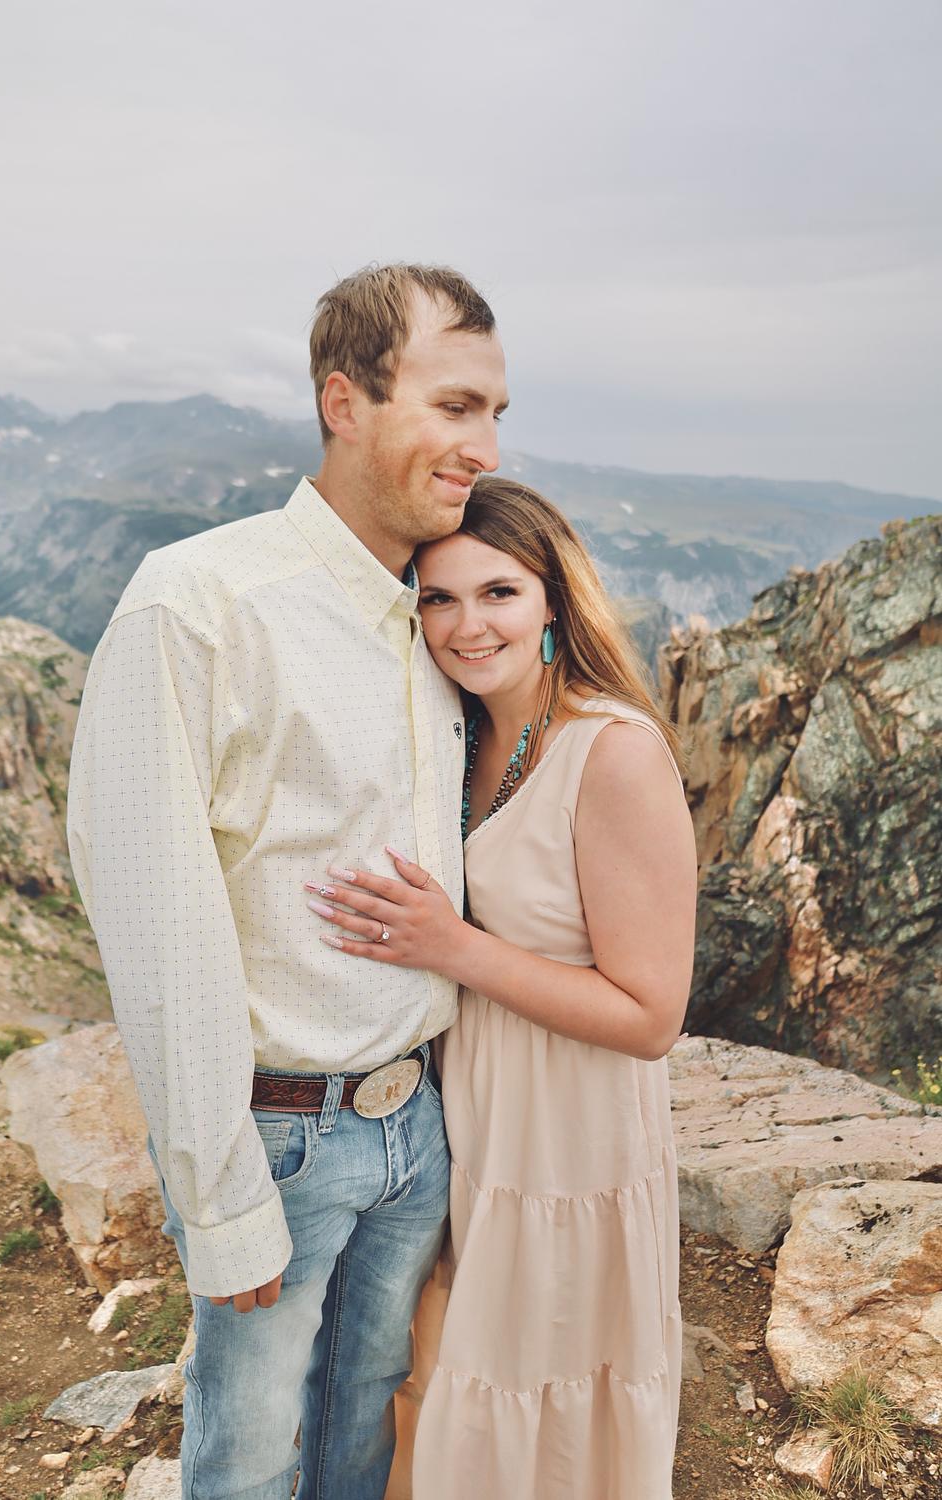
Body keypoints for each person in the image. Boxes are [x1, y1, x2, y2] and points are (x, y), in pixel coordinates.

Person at [65, 263, 509, 1500]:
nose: (482, 446)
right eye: (453, 405)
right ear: (343, 401)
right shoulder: (199, 604)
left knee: (360, 1438)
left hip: (417, 1126)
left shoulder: (437, 615)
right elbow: (156, 921)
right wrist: (220, 1203)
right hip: (278, 1139)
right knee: (252, 1465)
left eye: (494, 414)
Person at [305, 475, 696, 1500]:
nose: (467, 625)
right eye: (438, 598)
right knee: (443, 1378)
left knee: (541, 1394)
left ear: (553, 600)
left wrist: (454, 946)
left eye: (499, 593)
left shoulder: (612, 754)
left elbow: (652, 1016)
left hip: (566, 1136)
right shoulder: (461, 735)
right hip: (461, 1122)